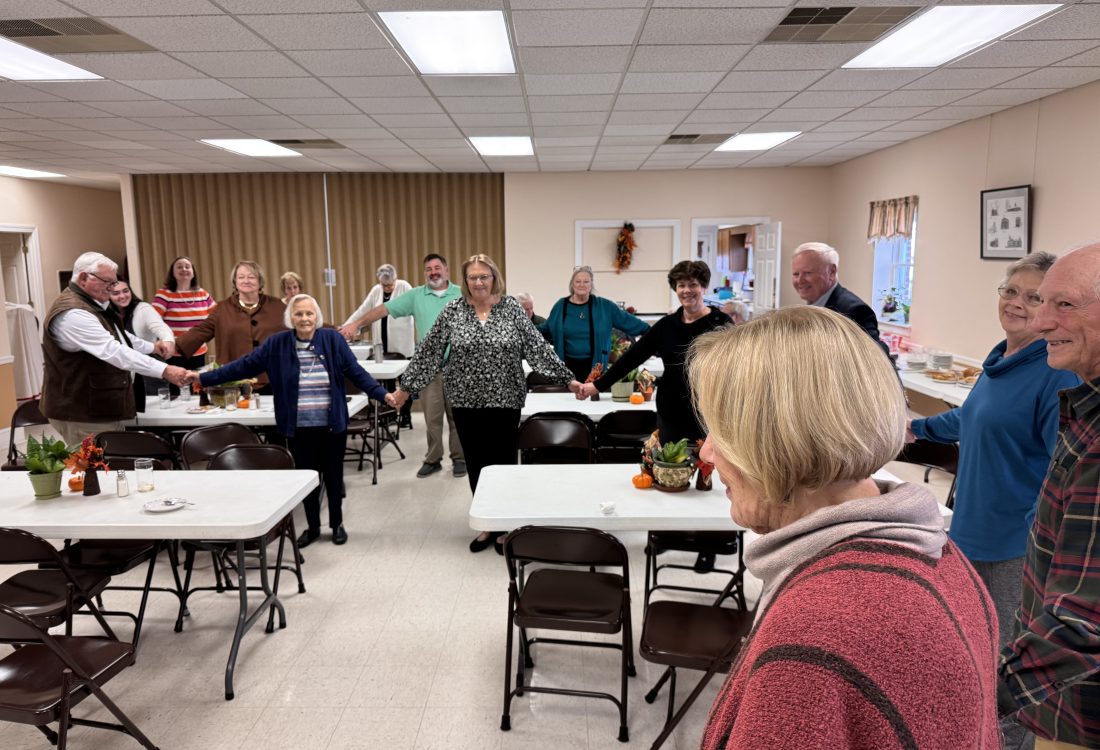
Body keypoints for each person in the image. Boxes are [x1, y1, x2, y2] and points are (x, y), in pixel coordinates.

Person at [690, 306, 999, 749]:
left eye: (722, 432)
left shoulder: (817, 631)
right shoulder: (933, 551)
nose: (707, 452)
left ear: (776, 442)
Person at [390, 254, 578, 553]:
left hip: (505, 400)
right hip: (466, 401)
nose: (478, 282)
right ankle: (487, 523)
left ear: (494, 278)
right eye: (472, 277)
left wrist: (568, 380)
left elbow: (537, 348)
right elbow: (429, 352)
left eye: (484, 276)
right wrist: (405, 388)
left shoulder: (511, 308)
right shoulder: (453, 311)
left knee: (503, 462)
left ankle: (505, 526)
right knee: (477, 462)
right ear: (465, 281)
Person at [191, 295, 397, 548]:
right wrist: (204, 378)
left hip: (331, 425)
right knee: (307, 480)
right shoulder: (277, 344)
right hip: (299, 427)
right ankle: (313, 527)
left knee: (333, 477)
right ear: (291, 318)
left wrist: (382, 394)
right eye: (299, 314)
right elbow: (243, 367)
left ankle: (337, 524)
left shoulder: (331, 339)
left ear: (317, 317)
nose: (304, 318)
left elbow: (356, 372)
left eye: (309, 313)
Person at [999, 243, 1100, 750]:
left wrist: (975, 692)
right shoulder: (1084, 404)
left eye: (1064, 304)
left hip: (1081, 712)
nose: (1040, 322)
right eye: (1043, 302)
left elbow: (1082, 624)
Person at [578, 260, 731, 572]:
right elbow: (632, 357)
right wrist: (598, 385)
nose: (687, 290)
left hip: (708, 411)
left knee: (706, 479)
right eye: (681, 285)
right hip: (671, 410)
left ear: (703, 287)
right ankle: (668, 534)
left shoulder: (720, 323)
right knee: (667, 472)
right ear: (675, 289)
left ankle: (708, 544)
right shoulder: (667, 325)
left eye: (693, 284)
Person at [338, 253, 465, 479]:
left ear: (446, 270)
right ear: (425, 272)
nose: (433, 272)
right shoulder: (416, 295)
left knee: (459, 417)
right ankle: (433, 459)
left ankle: (460, 459)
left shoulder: (462, 293)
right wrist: (356, 324)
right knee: (432, 418)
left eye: (437, 267)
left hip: (460, 368)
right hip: (429, 368)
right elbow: (382, 310)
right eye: (429, 269)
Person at [40, 252, 185, 445]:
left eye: (114, 282)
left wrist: (152, 347)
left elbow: (119, 336)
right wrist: (164, 370)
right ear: (83, 278)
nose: (112, 288)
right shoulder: (73, 313)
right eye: (107, 282)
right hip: (82, 413)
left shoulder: (92, 303)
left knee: (110, 460)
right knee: (92, 463)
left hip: (97, 409)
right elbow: (114, 350)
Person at [173, 260, 286, 388]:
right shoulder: (222, 308)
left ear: (260, 281)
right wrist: (172, 346)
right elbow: (202, 330)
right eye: (241, 277)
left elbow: (294, 333)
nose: (246, 281)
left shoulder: (278, 306)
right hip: (233, 380)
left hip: (272, 378)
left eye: (251, 277)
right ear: (235, 282)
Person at [540, 265, 649, 381]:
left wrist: (654, 332)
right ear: (572, 284)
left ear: (591, 285)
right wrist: (526, 327)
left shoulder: (605, 307)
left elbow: (630, 322)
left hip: (596, 369)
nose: (582, 285)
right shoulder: (561, 306)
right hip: (565, 369)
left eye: (586, 281)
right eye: (578, 281)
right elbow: (546, 329)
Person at [791, 242, 889, 358]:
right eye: (796, 274)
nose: (800, 280)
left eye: (808, 273)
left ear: (831, 272)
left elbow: (879, 358)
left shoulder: (854, 311)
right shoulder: (811, 307)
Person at [110, 278, 176, 397]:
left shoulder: (143, 309)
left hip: (151, 371)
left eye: (126, 291)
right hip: (125, 373)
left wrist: (168, 341)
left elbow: (161, 328)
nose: (122, 296)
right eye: (116, 293)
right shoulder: (107, 314)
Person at [151, 255, 216, 374]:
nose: (184, 269)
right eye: (179, 267)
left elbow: (217, 317)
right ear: (173, 273)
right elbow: (153, 322)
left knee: (197, 384)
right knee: (177, 384)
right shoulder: (164, 294)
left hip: (199, 352)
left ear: (193, 273)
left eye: (187, 267)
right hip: (174, 353)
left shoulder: (203, 294)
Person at [338, 264, 415, 357]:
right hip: (381, 345)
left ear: (395, 279)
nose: (386, 288)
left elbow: (414, 309)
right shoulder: (376, 290)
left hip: (402, 345)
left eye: (390, 285)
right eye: (384, 285)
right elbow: (362, 311)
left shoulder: (404, 287)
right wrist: (346, 327)